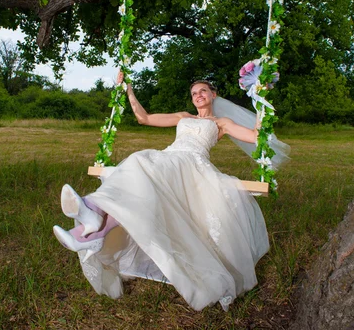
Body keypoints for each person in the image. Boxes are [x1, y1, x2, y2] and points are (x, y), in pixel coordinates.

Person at [53, 74, 288, 311]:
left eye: (203, 91)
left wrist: (261, 100)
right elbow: (143, 118)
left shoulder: (221, 123)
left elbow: (257, 136)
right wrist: (129, 90)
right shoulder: (183, 117)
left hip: (190, 165)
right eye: (194, 93)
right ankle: (87, 231)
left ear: (213, 95)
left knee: (138, 162)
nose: (198, 96)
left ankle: (90, 219)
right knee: (136, 189)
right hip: (168, 158)